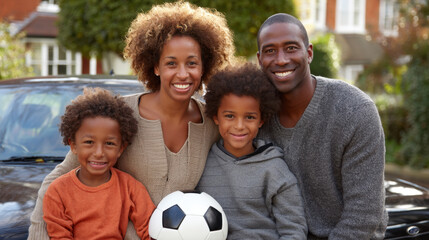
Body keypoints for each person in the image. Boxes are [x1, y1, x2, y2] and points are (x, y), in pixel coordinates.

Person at [28, 1, 235, 239]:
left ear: (204, 66)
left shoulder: (213, 121)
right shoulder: (118, 115)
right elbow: (60, 178)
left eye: (192, 63)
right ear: (155, 66)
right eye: (171, 63)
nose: (182, 74)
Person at [256, 13, 388, 239]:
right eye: (270, 50)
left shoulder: (354, 111)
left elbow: (363, 217)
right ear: (259, 59)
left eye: (291, 48)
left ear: (308, 53)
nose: (280, 59)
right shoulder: (252, 116)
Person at [197, 63, 307, 239]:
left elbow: (294, 229)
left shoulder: (274, 169)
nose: (239, 126)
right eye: (230, 116)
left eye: (249, 117)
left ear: (261, 120)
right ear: (216, 117)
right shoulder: (203, 163)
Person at [43, 88, 155, 239]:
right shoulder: (57, 192)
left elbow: (151, 231)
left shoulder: (130, 188)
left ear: (121, 149)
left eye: (109, 143)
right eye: (89, 142)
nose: (99, 153)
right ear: (73, 145)